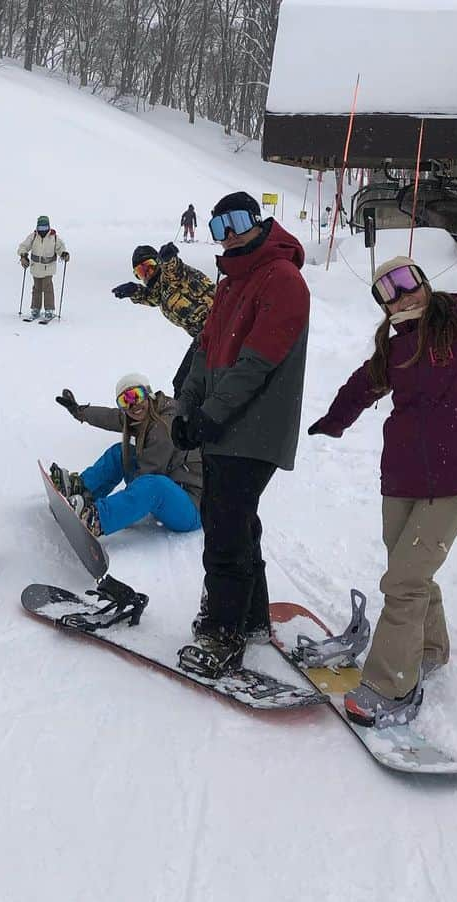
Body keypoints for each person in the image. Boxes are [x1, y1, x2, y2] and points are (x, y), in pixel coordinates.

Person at [306, 166, 457, 728]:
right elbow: (361, 387)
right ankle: (431, 651)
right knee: (409, 570)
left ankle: (394, 685)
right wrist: (332, 421)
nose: (397, 295)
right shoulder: (394, 346)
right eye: (384, 291)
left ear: (423, 281)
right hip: (404, 475)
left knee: (405, 580)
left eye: (405, 281)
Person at [170, 191, 310, 679]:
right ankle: (250, 617)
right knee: (233, 519)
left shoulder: (284, 279)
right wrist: (187, 406)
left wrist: (211, 414)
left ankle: (223, 634)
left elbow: (256, 364)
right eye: (217, 227)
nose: (227, 234)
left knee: (226, 530)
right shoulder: (231, 283)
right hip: (223, 427)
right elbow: (205, 351)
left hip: (254, 429)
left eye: (234, 222)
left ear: (257, 220)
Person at [49, 373, 202, 537]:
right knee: (121, 452)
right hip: (171, 489)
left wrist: (119, 509)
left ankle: (97, 519)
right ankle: (82, 488)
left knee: (152, 485)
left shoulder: (164, 426)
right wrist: (80, 412)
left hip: (191, 508)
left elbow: (147, 479)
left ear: (148, 393)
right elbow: (113, 418)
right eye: (125, 401)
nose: (133, 404)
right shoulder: (150, 411)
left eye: (136, 395)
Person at [111, 242, 215, 395]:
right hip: (206, 337)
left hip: (221, 327)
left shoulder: (173, 276)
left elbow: (175, 270)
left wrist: (168, 258)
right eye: (141, 272)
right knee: (185, 383)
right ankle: (189, 413)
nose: (148, 274)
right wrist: (134, 291)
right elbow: (153, 297)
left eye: (150, 266)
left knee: (186, 383)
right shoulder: (160, 290)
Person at [18, 215, 69, 321]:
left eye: (45, 228)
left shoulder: (53, 237)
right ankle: (35, 308)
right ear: (37, 227)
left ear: (48, 227)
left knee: (47, 287)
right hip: (36, 267)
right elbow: (23, 246)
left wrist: (64, 254)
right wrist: (23, 256)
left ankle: (49, 309)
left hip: (48, 267)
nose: (42, 230)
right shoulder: (33, 236)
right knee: (36, 288)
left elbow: (60, 247)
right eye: (40, 228)